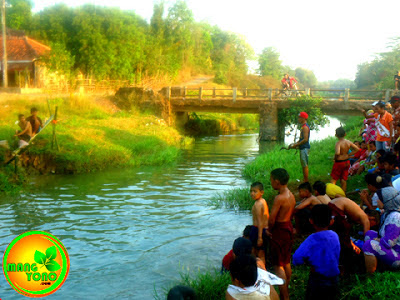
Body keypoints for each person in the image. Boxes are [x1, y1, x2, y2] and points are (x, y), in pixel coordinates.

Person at [292, 205, 340, 300]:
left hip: (318, 279)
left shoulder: (311, 239)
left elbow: (296, 258)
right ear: (331, 221)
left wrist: (306, 262)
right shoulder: (334, 235)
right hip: (334, 278)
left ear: (311, 221)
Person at [362, 173, 400, 273]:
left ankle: (370, 275)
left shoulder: (395, 217)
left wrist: (378, 240)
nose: (377, 201)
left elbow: (389, 243)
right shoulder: (389, 211)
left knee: (369, 244)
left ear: (386, 201)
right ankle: (379, 263)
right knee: (369, 233)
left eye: (379, 199)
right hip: (394, 246)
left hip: (397, 254)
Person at [268, 168, 295, 300]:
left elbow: (272, 218)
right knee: (286, 261)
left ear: (277, 182)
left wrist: (269, 230)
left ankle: (284, 296)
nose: (270, 182)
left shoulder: (279, 198)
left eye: (271, 180)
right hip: (288, 228)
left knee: (278, 265)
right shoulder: (291, 194)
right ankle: (286, 288)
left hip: (279, 230)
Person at [328, 197, 370, 274]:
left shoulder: (356, 214)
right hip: (337, 206)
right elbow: (366, 235)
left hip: (334, 205)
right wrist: (366, 245)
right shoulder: (365, 218)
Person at [330, 127, 360, 192]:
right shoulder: (348, 142)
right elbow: (357, 149)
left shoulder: (338, 143)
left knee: (334, 179)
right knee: (343, 179)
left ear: (336, 135)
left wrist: (335, 158)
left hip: (339, 162)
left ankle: (331, 193)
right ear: (345, 134)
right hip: (347, 161)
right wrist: (349, 155)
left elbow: (337, 153)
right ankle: (343, 195)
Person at [250, 182, 269, 265]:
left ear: (262, 192)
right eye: (251, 191)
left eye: (255, 191)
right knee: (262, 253)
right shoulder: (263, 201)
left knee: (257, 254)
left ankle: (258, 272)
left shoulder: (258, 204)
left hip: (258, 230)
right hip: (264, 229)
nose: (252, 193)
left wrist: (259, 237)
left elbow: (260, 221)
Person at [289, 112, 310, 182]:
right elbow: (302, 139)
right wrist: (296, 143)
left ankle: (306, 180)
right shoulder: (303, 126)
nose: (298, 119)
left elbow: (305, 139)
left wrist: (296, 145)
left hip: (304, 148)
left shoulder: (305, 127)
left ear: (303, 118)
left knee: (305, 165)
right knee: (303, 164)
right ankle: (305, 179)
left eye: (300, 117)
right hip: (302, 147)